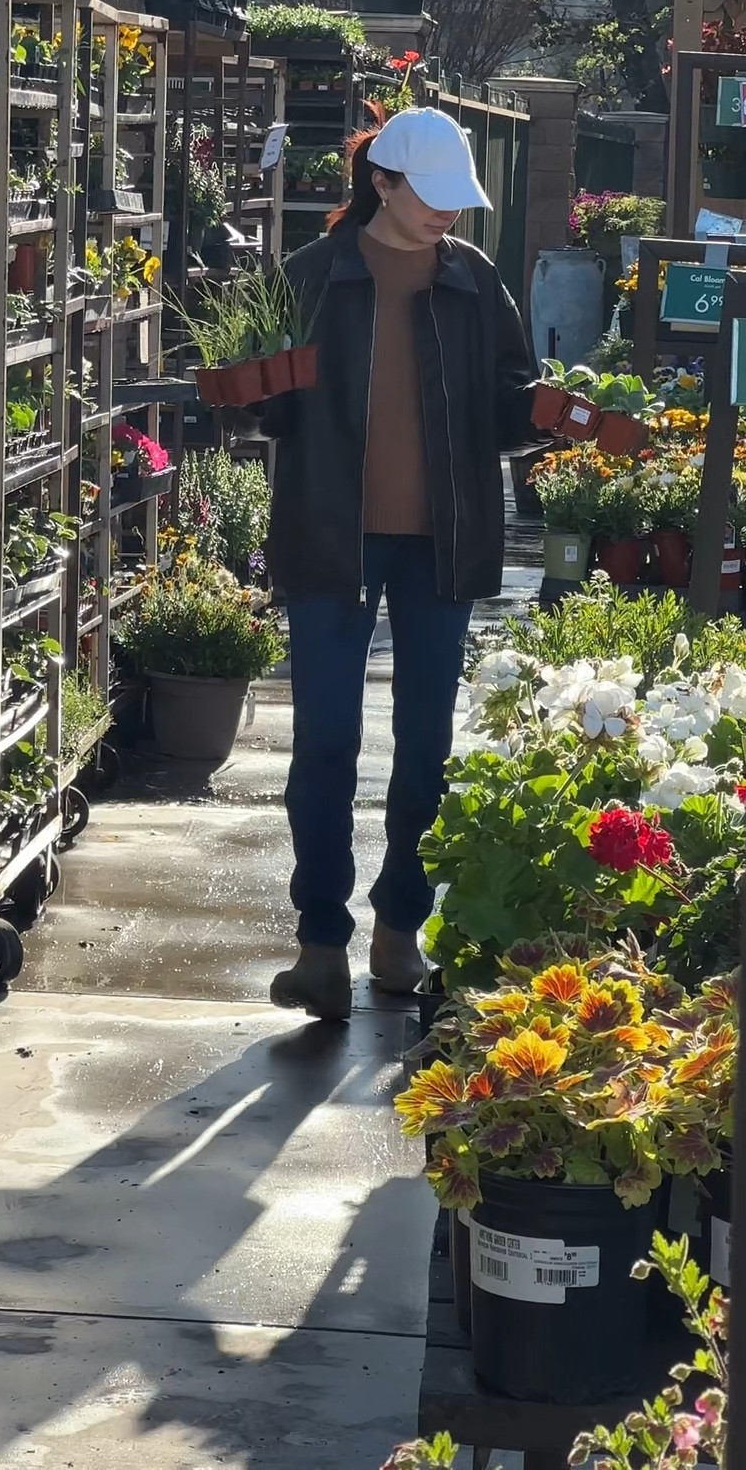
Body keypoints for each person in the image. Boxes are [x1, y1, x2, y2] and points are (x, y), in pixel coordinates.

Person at [266, 105, 536, 1022]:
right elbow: (262, 396)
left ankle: (398, 931)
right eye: (433, 195)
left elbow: (508, 400)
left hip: (442, 544)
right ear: (382, 182)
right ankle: (319, 947)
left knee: (426, 745)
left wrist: (549, 412)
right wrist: (244, 391)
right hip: (327, 540)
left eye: (459, 199)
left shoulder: (473, 281)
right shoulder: (312, 275)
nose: (450, 215)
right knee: (326, 749)